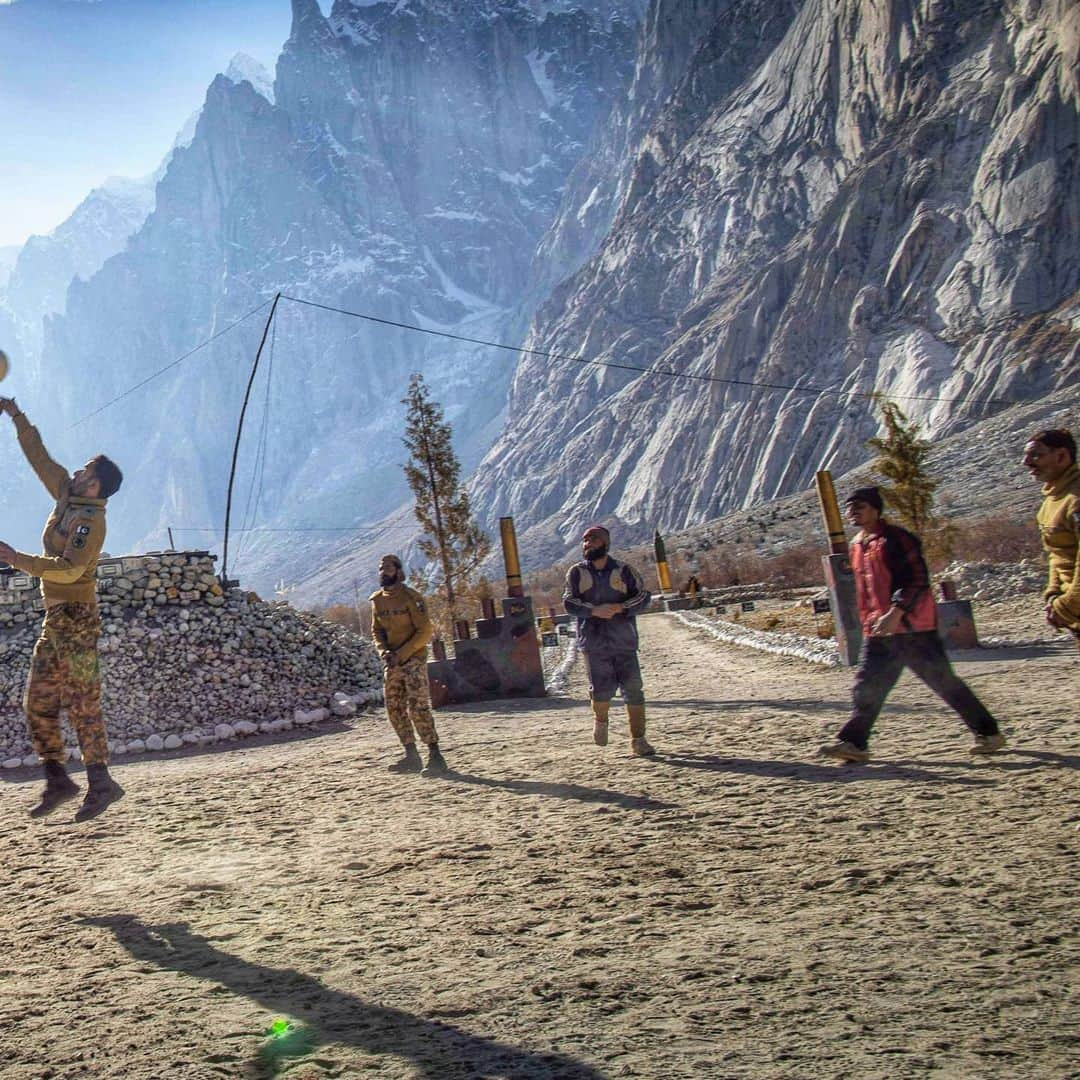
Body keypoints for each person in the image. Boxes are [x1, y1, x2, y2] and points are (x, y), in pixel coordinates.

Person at [0, 396, 125, 819]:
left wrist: (15, 559)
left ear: (95, 486)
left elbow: (70, 571)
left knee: (82, 703)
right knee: (37, 703)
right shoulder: (66, 497)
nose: (75, 472)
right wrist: (16, 415)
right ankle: (58, 780)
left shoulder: (90, 521)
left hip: (77, 618)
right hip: (57, 619)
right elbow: (41, 459)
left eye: (84, 471)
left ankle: (101, 783)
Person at [821, 487, 1006, 763]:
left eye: (859, 506)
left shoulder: (896, 539)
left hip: (912, 628)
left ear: (875, 509)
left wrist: (896, 612)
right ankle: (854, 742)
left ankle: (988, 732)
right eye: (850, 508)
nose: (853, 512)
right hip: (880, 628)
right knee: (868, 684)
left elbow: (916, 580)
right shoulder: (859, 544)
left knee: (942, 681)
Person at [563, 524, 655, 756]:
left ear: (604, 543)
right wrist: (593, 611)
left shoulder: (625, 571)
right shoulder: (576, 573)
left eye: (592, 541)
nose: (587, 544)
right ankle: (601, 720)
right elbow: (569, 602)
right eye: (585, 541)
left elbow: (644, 597)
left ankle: (638, 740)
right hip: (593, 643)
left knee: (634, 690)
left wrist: (621, 608)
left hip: (624, 641)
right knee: (601, 690)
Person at [370, 554, 447, 775]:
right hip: (391, 662)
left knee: (418, 706)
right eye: (380, 568)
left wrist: (403, 653)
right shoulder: (377, 601)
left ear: (398, 571)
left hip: (413, 659)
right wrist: (384, 651)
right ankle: (411, 755)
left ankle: (435, 755)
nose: (383, 571)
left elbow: (424, 631)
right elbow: (376, 631)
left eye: (387, 568)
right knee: (394, 707)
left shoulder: (411, 598)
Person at [1022, 428, 1080, 653]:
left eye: (1036, 455)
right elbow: (1057, 554)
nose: (1026, 462)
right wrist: (1053, 593)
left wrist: (1067, 605)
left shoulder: (1076, 499)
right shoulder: (1051, 502)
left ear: (1062, 456)